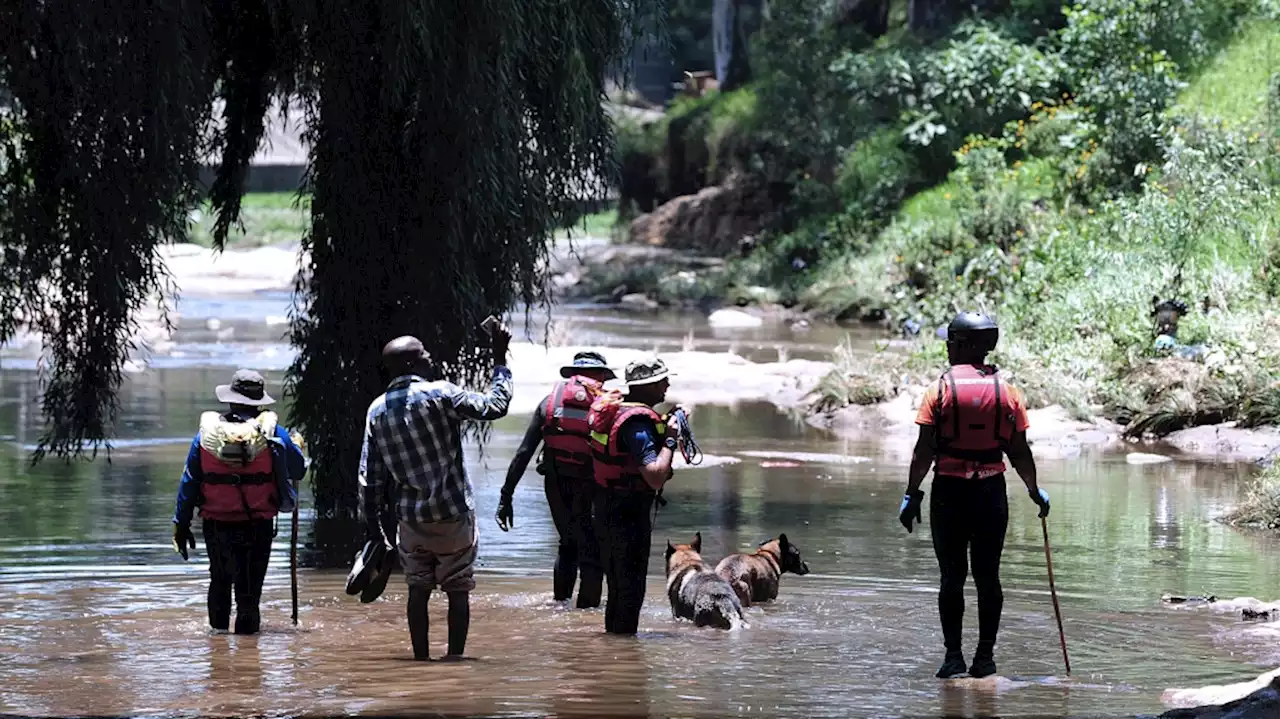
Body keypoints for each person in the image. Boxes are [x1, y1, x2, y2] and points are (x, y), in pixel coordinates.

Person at [898, 312, 1049, 679]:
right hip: (990, 494)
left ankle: (953, 657)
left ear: (964, 345)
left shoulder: (939, 390)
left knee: (951, 576)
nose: (948, 347)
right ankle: (985, 658)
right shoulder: (1008, 393)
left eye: (951, 341)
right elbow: (1019, 451)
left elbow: (924, 451)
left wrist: (911, 493)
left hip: (949, 494)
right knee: (988, 576)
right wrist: (1033, 490)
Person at [359, 327, 512, 661]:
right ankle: (455, 661)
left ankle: (420, 662)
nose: (431, 357)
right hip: (453, 514)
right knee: (458, 589)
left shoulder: (377, 410)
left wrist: (375, 532)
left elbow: (370, 479)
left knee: (418, 588)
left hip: (411, 519)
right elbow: (496, 406)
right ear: (414, 362)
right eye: (425, 353)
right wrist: (499, 357)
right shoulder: (441, 394)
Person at [172, 369, 306, 635]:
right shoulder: (273, 433)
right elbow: (298, 470)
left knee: (219, 582)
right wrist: (296, 445)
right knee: (249, 594)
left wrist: (181, 524)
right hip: (257, 524)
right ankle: (249, 657)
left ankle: (217, 647)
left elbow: (189, 481)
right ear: (259, 401)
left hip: (216, 524)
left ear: (231, 400)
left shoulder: (207, 436)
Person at [496, 351, 615, 608]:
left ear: (572, 376)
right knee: (592, 553)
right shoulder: (608, 408)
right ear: (601, 377)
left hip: (557, 483)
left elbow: (523, 453)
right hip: (591, 485)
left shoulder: (549, 403)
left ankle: (560, 607)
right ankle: (585, 620)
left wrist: (506, 497)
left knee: (567, 543)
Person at [589, 357, 683, 635]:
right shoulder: (639, 423)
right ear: (647, 385)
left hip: (606, 505)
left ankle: (612, 649)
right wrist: (670, 439)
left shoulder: (617, 410)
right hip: (627, 513)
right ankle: (623, 657)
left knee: (618, 586)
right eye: (661, 380)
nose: (667, 384)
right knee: (630, 588)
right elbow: (654, 475)